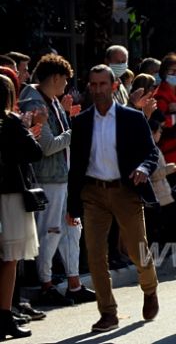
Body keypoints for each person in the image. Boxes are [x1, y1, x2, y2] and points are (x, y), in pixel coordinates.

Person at [66, 65, 160, 333]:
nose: (97, 90)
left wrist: (143, 168)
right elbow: (76, 167)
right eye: (93, 85)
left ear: (114, 85)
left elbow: (151, 154)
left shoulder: (132, 118)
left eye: (102, 84)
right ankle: (108, 312)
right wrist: (72, 206)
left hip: (125, 190)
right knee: (96, 254)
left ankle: (150, 288)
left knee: (137, 249)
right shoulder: (82, 122)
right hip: (93, 194)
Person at [18, 55, 96, 307]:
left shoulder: (49, 101)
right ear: (55, 78)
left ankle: (74, 283)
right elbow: (48, 146)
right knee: (51, 231)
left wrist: (69, 123)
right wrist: (77, 128)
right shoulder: (35, 103)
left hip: (63, 177)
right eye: (65, 79)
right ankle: (47, 285)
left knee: (72, 228)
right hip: (49, 179)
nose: (67, 85)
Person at [0, 74, 43, 341]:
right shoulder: (11, 121)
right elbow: (34, 152)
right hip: (10, 197)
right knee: (9, 259)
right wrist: (29, 129)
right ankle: (4, 317)